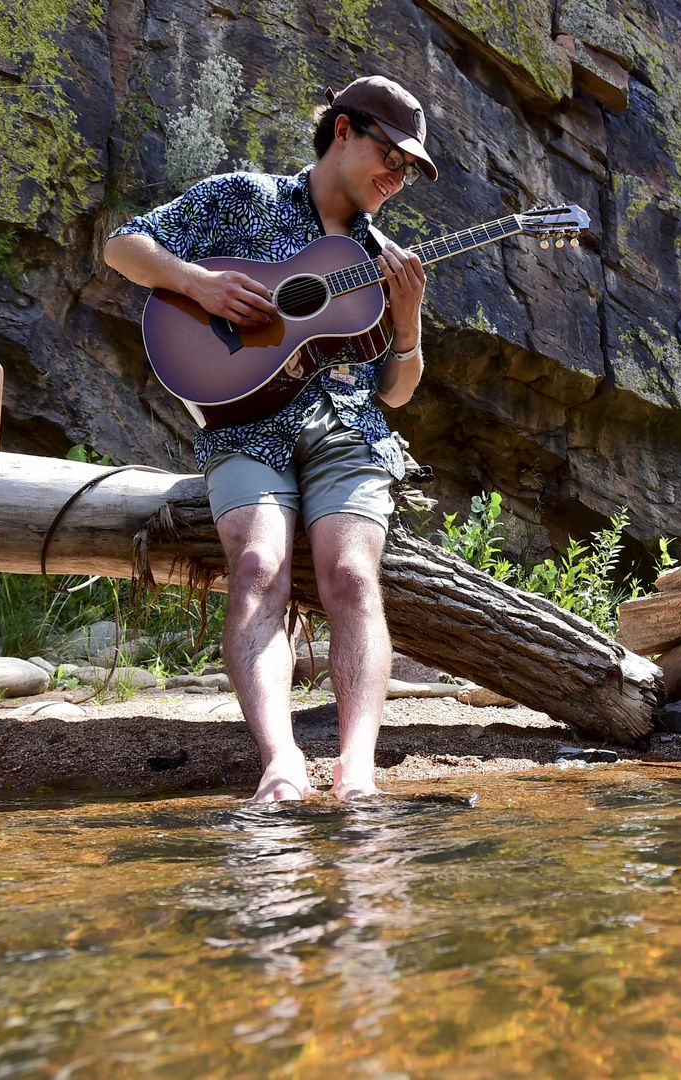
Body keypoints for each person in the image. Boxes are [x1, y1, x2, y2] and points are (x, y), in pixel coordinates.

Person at [103, 74, 439, 802]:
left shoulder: (384, 259)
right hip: (245, 422)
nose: (398, 176)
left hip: (349, 428)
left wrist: (407, 324)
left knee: (350, 576)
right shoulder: (241, 198)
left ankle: (356, 769)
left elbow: (397, 390)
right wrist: (199, 285)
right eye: (392, 154)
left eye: (410, 169)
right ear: (343, 130)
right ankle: (282, 761)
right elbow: (123, 246)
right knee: (257, 567)